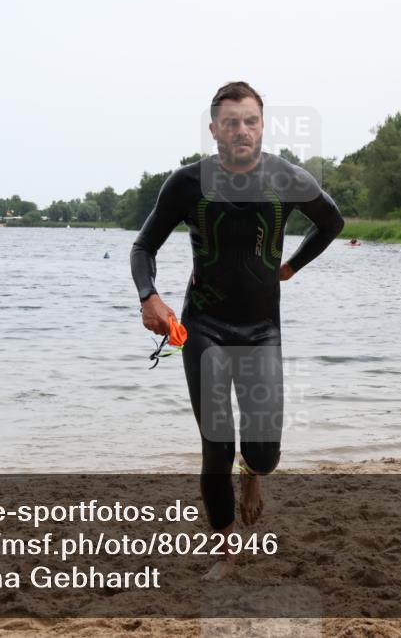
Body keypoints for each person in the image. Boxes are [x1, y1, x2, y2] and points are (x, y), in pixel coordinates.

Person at [130, 81, 344, 579]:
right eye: (230, 122)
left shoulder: (287, 178)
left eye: (250, 121)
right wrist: (150, 297)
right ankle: (225, 550)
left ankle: (254, 474)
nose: (241, 130)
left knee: (264, 450)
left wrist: (289, 268)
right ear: (214, 130)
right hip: (203, 327)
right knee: (216, 442)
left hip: (262, 330)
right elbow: (143, 247)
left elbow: (331, 223)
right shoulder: (187, 184)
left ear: (263, 125)